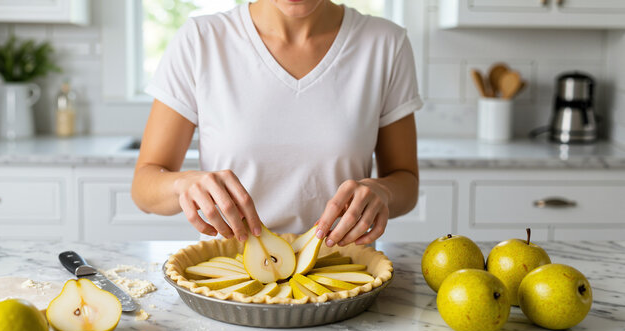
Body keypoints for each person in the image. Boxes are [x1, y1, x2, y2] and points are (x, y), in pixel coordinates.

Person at [131, 0, 423, 247]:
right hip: (231, 277)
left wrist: (383, 192)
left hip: (344, 273)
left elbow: (405, 182)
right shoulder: (201, 40)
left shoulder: (386, 43)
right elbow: (144, 186)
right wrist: (184, 184)